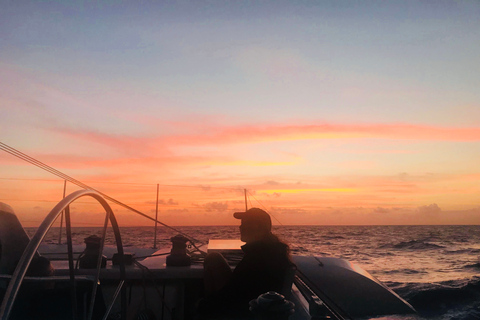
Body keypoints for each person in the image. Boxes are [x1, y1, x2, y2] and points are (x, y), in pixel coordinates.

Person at [201, 208, 293, 318]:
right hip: (250, 305)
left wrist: (202, 306)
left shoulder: (258, 258)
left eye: (246, 223)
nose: (240, 227)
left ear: (259, 227)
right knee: (214, 258)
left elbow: (235, 294)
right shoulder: (269, 251)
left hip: (244, 311)